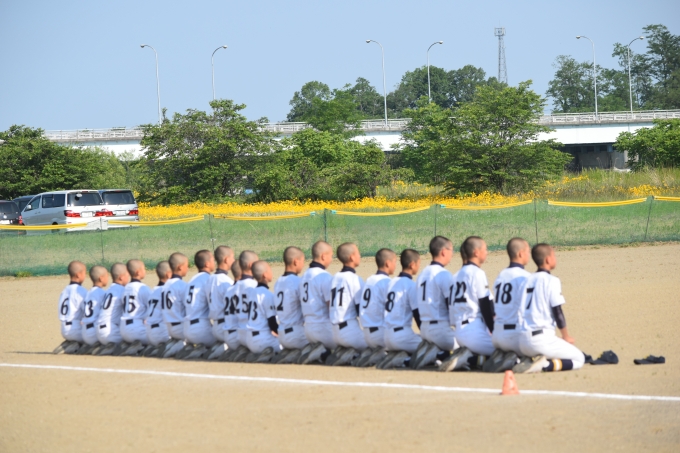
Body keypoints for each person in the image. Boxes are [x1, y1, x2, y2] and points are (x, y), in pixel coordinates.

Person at [514, 244, 585, 373]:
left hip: (522, 340)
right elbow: (557, 311)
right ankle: (545, 365)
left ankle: (526, 360)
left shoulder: (526, 280)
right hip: (541, 340)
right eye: (554, 255)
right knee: (579, 358)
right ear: (547, 259)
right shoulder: (552, 280)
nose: (555, 258)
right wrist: (566, 336)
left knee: (551, 349)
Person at [440, 236, 495, 372]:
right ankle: (468, 359)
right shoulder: (477, 273)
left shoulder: (454, 276)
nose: (486, 252)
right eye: (485, 249)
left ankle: (467, 356)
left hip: (459, 333)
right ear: (476, 252)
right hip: (475, 331)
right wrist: (495, 333)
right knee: (510, 351)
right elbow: (485, 306)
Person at [483, 238, 532, 373]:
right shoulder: (526, 277)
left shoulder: (501, 276)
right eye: (528, 251)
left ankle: (502, 356)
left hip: (497, 335)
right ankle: (513, 359)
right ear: (521, 253)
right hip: (515, 336)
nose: (529, 254)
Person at [412, 236, 456, 369]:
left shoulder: (422, 274)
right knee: (470, 345)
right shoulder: (444, 274)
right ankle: (438, 354)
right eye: (451, 250)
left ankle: (434, 351)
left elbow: (416, 309)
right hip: (440, 330)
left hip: (425, 329)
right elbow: (451, 305)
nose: (452, 254)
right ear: (443, 251)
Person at [379, 249, 422, 369]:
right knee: (432, 348)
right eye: (418, 263)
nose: (419, 266)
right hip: (402, 336)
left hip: (386, 337)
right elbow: (417, 315)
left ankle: (395, 355)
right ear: (412, 265)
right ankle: (404, 360)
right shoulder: (411, 285)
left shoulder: (391, 282)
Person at [356, 248, 397, 367]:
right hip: (381, 334)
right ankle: (384, 354)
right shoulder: (387, 282)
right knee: (414, 343)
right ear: (388, 263)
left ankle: (372, 352)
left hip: (367, 335)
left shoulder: (369, 280)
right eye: (395, 262)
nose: (395, 265)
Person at [329, 242, 368, 366]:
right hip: (350, 332)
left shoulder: (335, 277)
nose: (360, 255)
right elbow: (361, 310)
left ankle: (345, 351)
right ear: (351, 257)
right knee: (381, 344)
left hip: (334, 333)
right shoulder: (355, 279)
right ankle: (352, 354)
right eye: (358, 253)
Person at [298, 241, 335, 365]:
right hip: (324, 329)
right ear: (323, 256)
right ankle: (322, 352)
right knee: (355, 347)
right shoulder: (324, 276)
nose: (331, 259)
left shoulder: (304, 276)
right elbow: (331, 307)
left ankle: (320, 352)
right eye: (331, 256)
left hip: (308, 331)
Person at [272, 246, 308, 364]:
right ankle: (296, 354)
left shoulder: (278, 282)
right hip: (297, 334)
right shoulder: (297, 281)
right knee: (323, 345)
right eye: (302, 261)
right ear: (296, 261)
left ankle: (289, 353)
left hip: (282, 334)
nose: (303, 265)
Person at [179, 250, 217, 359]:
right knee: (228, 340)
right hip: (201, 329)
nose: (214, 262)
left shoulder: (191, 280)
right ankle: (202, 349)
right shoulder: (209, 279)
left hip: (187, 329)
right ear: (207, 264)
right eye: (213, 260)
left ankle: (190, 347)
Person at [242, 260, 280, 362]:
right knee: (287, 345)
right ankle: (268, 355)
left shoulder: (252, 292)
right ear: (265, 275)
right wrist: (282, 334)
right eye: (270, 269)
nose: (272, 272)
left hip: (249, 340)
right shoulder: (267, 294)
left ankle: (253, 355)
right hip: (263, 340)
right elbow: (272, 324)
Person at [227, 250, 259, 362]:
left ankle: (241, 351)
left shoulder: (231, 288)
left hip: (237, 333)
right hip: (251, 334)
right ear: (251, 265)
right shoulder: (254, 286)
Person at [54, 261, 88, 354]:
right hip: (76, 330)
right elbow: (88, 312)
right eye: (84, 273)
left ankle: (69, 343)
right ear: (78, 275)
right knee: (95, 333)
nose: (85, 276)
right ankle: (79, 345)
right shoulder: (81, 291)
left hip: (64, 329)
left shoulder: (64, 290)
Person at [207, 246, 235, 359]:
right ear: (226, 259)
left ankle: (217, 348)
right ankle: (225, 349)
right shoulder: (226, 281)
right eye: (232, 257)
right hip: (225, 327)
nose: (234, 260)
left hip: (215, 327)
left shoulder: (210, 279)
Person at [96, 263, 130, 355]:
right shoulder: (123, 290)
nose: (128, 278)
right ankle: (117, 346)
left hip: (99, 331)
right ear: (121, 277)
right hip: (111, 332)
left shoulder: (108, 290)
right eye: (127, 275)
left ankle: (101, 346)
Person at [120, 259, 152, 355]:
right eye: (143, 269)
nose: (145, 271)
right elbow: (152, 308)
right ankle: (140, 346)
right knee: (160, 335)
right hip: (138, 329)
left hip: (123, 330)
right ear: (138, 272)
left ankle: (126, 345)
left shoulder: (124, 288)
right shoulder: (143, 288)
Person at [161, 252, 189, 358]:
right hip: (181, 328)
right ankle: (181, 345)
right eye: (187, 265)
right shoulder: (182, 285)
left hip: (168, 328)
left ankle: (171, 345)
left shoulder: (165, 285)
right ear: (180, 267)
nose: (188, 268)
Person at [144, 261, 172, 356]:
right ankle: (167, 347)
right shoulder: (166, 291)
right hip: (163, 332)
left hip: (149, 333)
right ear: (168, 274)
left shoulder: (152, 291)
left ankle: (154, 348)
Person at [79, 265, 109, 354]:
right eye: (107, 276)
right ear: (101, 278)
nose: (108, 278)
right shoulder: (102, 293)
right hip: (95, 332)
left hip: (85, 332)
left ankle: (88, 346)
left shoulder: (88, 293)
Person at [217, 260, 243, 361]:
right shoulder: (245, 289)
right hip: (240, 336)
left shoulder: (228, 291)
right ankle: (243, 352)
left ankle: (229, 351)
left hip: (227, 334)